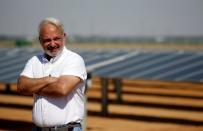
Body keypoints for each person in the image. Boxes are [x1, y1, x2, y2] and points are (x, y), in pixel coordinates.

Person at [17, 17, 87, 131]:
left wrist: (33, 87)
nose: (52, 44)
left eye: (56, 39)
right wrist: (47, 80)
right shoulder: (34, 61)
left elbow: (61, 89)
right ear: (40, 40)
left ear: (64, 36)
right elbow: (21, 87)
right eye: (47, 40)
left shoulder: (74, 60)